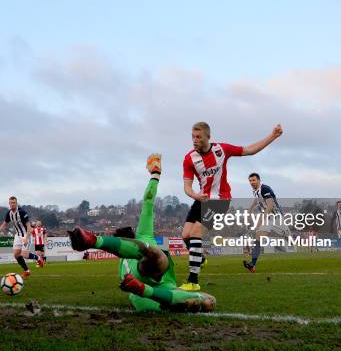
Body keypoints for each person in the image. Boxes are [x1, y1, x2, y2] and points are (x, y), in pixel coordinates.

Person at [68, 154, 216, 313]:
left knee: (149, 298)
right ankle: (95, 242)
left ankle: (97, 243)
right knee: (206, 299)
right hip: (156, 269)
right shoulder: (143, 234)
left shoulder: (121, 267)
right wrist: (155, 175)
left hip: (137, 284)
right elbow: (148, 202)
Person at [181, 121, 283, 290]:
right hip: (201, 198)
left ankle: (193, 281)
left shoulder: (221, 150)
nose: (194, 140)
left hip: (220, 199)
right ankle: (200, 259)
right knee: (185, 236)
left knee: (196, 232)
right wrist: (195, 195)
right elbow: (187, 186)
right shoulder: (189, 159)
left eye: (198, 137)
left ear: (208, 137)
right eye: (193, 137)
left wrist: (273, 135)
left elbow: (249, 150)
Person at [242, 172, 288, 273]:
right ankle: (252, 265)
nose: (251, 182)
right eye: (250, 180)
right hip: (267, 219)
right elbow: (256, 200)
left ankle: (292, 238)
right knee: (258, 235)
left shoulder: (265, 189)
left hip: (277, 219)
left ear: (259, 180)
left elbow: (269, 207)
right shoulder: (255, 191)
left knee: (288, 236)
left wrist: (259, 222)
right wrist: (249, 211)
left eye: (253, 180)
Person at [0, 196, 42, 277]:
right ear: (9, 204)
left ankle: (39, 258)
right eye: (11, 203)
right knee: (16, 254)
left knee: (24, 255)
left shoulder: (22, 212)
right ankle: (27, 271)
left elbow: (29, 226)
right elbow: (5, 224)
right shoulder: (9, 213)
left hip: (26, 235)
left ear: (16, 203)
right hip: (17, 235)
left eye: (14, 203)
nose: (12, 204)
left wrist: (26, 238)